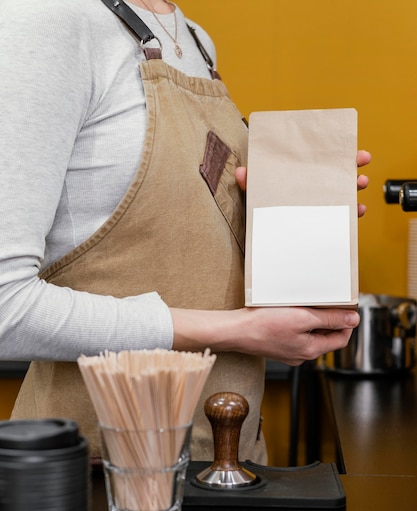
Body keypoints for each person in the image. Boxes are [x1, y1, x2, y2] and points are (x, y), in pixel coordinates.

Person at [0, 0, 370, 464]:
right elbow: (5, 308)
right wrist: (239, 331)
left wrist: (287, 217)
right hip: (101, 474)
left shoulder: (193, 38)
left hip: (231, 454)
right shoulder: (45, 19)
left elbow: (179, 242)